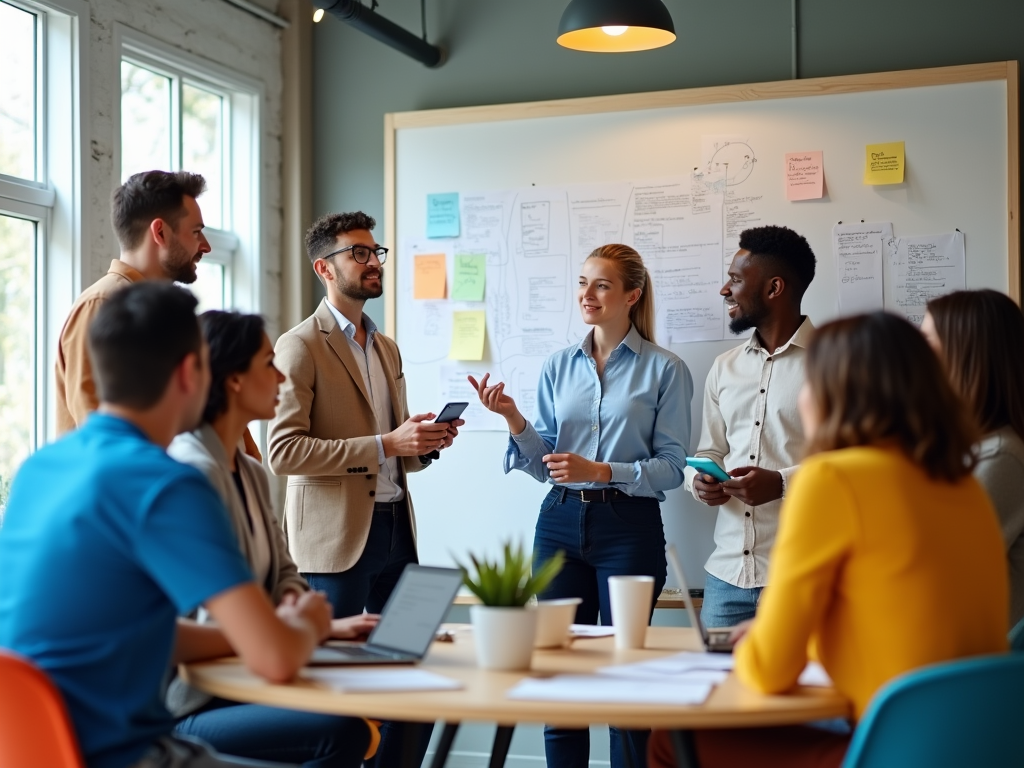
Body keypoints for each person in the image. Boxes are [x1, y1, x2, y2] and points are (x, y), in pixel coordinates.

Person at [649, 312, 1009, 768]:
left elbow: (771, 671)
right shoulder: (962, 484)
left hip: (889, 748)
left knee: (670, 739)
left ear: (835, 392)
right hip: (978, 743)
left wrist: (761, 642)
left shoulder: (834, 479)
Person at [0, 282, 337, 768]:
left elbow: (128, 631)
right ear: (189, 373)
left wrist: (262, 630)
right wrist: (306, 624)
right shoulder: (165, 484)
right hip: (119, 755)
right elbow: (276, 659)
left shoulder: (40, 468)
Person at [470, 243, 693, 768]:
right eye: (581, 283)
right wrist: (514, 421)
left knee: (625, 685)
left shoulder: (666, 369)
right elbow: (544, 459)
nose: (586, 295)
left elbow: (674, 467)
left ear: (631, 295)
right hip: (558, 523)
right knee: (559, 683)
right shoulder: (557, 365)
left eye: (601, 285)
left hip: (629, 527)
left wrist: (602, 471)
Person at [268, 211, 459, 767]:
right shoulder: (299, 346)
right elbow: (284, 453)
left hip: (398, 528)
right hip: (335, 543)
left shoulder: (387, 347)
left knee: (411, 672)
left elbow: (399, 450)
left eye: (376, 252)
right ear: (324, 268)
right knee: (337, 694)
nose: (374, 262)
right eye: (359, 253)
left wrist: (424, 442)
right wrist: (384, 444)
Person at [168, 310, 383, 767]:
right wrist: (304, 628)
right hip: (193, 701)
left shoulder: (247, 468)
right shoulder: (192, 472)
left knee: (356, 704)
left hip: (247, 672)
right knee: (340, 730)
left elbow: (285, 569)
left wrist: (307, 615)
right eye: (269, 363)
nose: (282, 375)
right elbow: (210, 618)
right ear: (234, 381)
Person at [54, 170, 262, 459]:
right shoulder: (102, 305)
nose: (206, 246)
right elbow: (99, 426)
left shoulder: (173, 314)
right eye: (196, 232)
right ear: (160, 232)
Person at [684, 225, 817, 628]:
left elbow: (854, 466)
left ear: (775, 288)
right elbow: (709, 452)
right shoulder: (725, 367)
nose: (725, 290)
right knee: (715, 689)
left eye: (737, 279)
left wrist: (781, 484)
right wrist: (699, 481)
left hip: (800, 576)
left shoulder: (836, 362)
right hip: (725, 578)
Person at [922, 289, 1024, 626]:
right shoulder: (965, 447)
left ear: (964, 355)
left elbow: (934, 569)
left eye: (927, 341)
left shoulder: (1001, 456)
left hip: (976, 664)